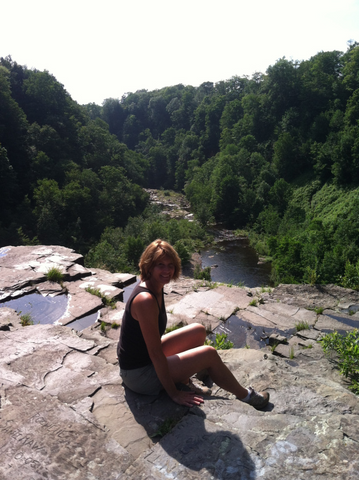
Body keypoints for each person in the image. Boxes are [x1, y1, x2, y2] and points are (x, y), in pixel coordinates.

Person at [118, 239, 269, 409]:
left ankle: (184, 381)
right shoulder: (145, 299)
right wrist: (174, 394)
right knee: (209, 354)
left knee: (198, 331)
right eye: (160, 264)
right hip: (139, 375)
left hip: (142, 360)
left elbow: (152, 347)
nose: (167, 270)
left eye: (170, 264)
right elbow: (155, 353)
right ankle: (247, 396)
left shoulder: (155, 286)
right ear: (149, 266)